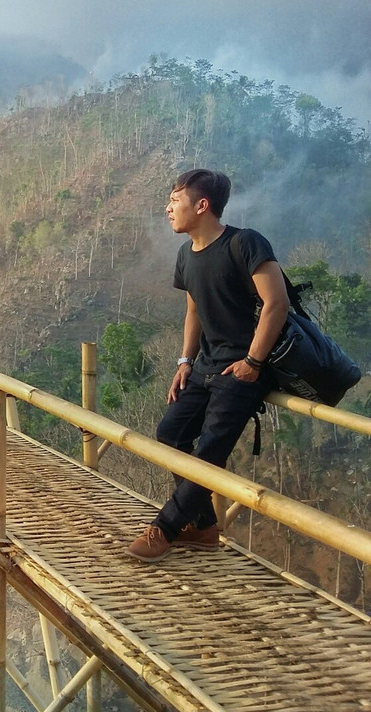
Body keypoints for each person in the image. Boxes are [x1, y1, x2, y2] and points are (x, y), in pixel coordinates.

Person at [126, 168, 290, 562]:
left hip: (242, 371)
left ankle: (165, 528)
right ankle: (202, 526)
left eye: (175, 200)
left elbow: (277, 302)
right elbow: (194, 311)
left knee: (210, 450)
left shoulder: (245, 243)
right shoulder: (186, 255)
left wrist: (253, 362)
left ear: (202, 205)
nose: (168, 208)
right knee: (170, 434)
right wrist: (185, 361)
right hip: (205, 365)